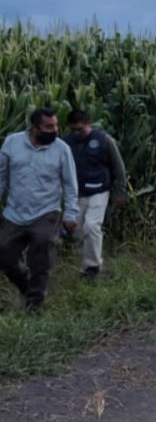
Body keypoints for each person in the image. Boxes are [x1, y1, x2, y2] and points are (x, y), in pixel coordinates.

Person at [0, 108, 79, 312]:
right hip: (14, 213)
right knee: (5, 254)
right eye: (49, 126)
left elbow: (70, 184)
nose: (54, 130)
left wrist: (70, 213)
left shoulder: (61, 149)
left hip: (46, 211)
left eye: (55, 125)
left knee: (42, 250)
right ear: (34, 128)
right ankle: (28, 286)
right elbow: (1, 176)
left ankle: (35, 304)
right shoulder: (12, 143)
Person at [62, 109, 128, 282]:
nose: (77, 133)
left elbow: (118, 167)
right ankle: (84, 268)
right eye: (73, 130)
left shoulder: (104, 140)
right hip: (76, 193)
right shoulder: (65, 143)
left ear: (88, 125)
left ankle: (93, 267)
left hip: (100, 191)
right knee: (78, 231)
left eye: (81, 129)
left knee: (91, 226)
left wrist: (120, 191)